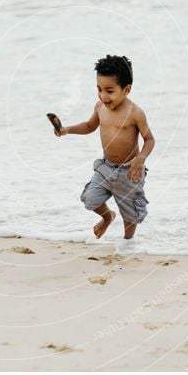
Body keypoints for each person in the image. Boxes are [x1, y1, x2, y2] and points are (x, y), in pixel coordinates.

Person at [54, 55, 155, 239]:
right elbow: (89, 126)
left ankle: (128, 243)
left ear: (126, 89)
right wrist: (67, 130)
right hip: (106, 167)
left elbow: (149, 139)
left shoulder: (135, 113)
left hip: (129, 171)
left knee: (130, 213)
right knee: (90, 198)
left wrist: (140, 159)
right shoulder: (100, 107)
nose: (103, 96)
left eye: (109, 90)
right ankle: (107, 217)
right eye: (99, 89)